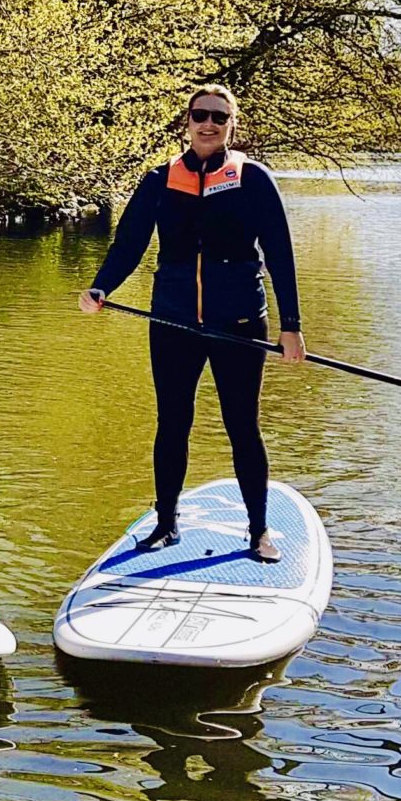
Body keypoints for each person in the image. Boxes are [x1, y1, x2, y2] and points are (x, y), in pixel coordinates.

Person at [79, 84, 307, 559]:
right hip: (174, 321)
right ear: (187, 121)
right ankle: (165, 524)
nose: (208, 124)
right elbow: (129, 244)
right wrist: (102, 287)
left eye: (219, 118)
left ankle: (258, 530)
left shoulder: (254, 179)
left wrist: (291, 325)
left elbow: (281, 255)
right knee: (172, 423)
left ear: (231, 126)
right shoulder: (159, 181)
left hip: (239, 322)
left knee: (242, 425)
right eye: (200, 115)